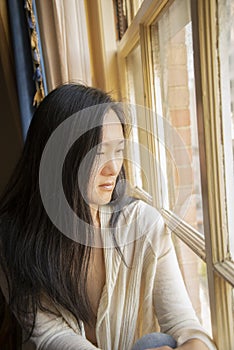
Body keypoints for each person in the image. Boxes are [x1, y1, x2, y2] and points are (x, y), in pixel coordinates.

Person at [0, 84, 217, 350]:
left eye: (118, 150)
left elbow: (187, 327)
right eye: (98, 153)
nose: (114, 168)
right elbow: (51, 337)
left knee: (159, 342)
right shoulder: (13, 241)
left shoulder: (143, 225)